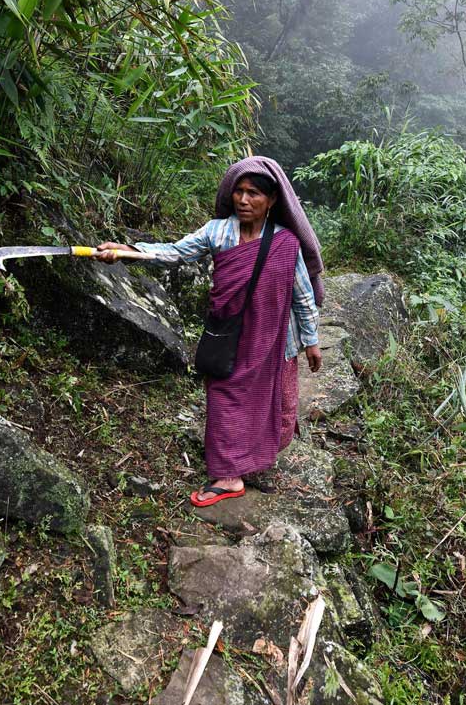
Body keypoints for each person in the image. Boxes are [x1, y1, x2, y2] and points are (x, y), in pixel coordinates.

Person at [95, 156, 323, 506]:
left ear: (273, 200)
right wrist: (129, 252)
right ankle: (229, 475)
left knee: (276, 402)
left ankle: (255, 461)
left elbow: (302, 295)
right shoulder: (217, 232)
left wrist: (311, 341)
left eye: (254, 194)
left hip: (275, 341)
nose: (244, 200)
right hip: (229, 336)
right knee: (224, 399)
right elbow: (175, 253)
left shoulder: (285, 243)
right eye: (239, 192)